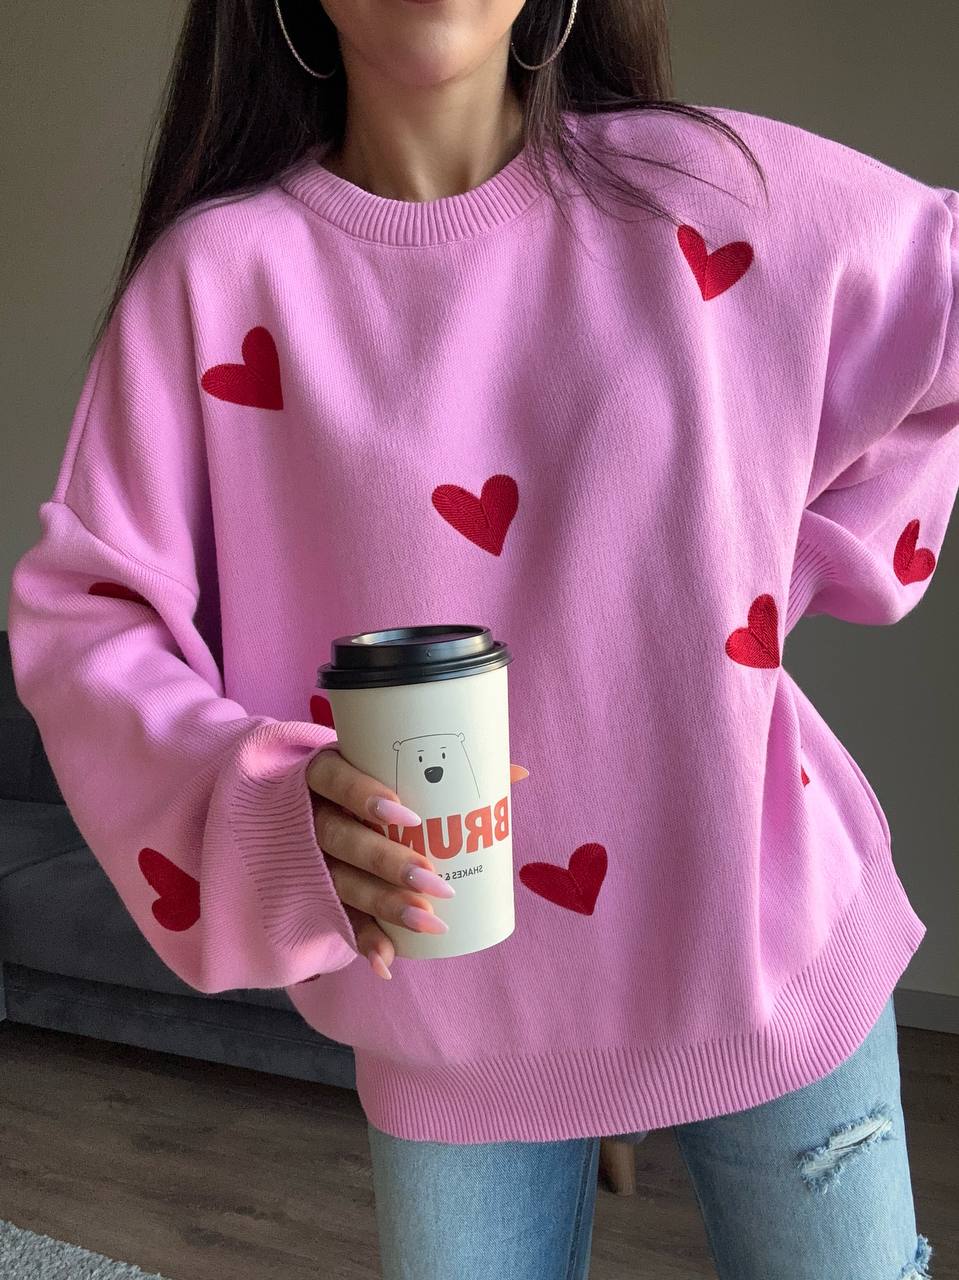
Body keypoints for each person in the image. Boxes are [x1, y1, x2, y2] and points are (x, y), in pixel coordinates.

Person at [8, 1, 957, 1276]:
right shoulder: (219, 284)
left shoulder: (709, 193)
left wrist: (776, 575)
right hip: (444, 1007)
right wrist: (258, 814)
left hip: (772, 935)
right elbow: (84, 622)